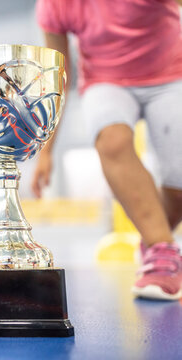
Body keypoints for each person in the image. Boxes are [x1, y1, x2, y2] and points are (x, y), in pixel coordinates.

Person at [33, 0, 182, 300]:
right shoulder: (54, 4)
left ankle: (154, 241)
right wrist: (46, 149)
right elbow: (58, 76)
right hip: (106, 81)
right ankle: (162, 254)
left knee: (179, 183)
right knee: (111, 140)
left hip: (172, 74)